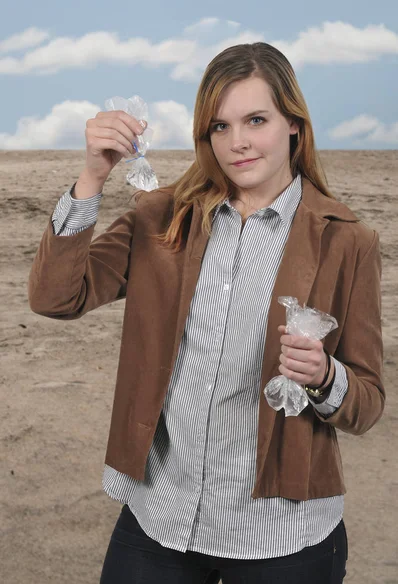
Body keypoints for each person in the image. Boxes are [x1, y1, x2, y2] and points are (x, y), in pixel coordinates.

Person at [28, 42, 384, 584]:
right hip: (160, 522)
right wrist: (91, 178)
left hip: (282, 536)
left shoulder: (347, 241)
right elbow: (57, 297)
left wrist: (324, 377)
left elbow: (366, 404)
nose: (237, 142)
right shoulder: (161, 218)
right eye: (219, 126)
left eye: (256, 120)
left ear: (293, 123)